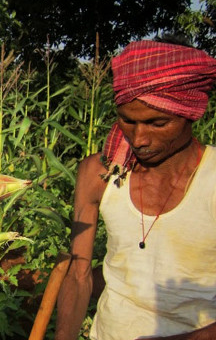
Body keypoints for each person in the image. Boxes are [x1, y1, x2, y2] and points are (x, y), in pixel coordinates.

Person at [55, 38, 216, 340]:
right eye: (127, 121)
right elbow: (78, 275)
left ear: (191, 113)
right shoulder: (99, 174)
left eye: (157, 123)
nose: (139, 138)